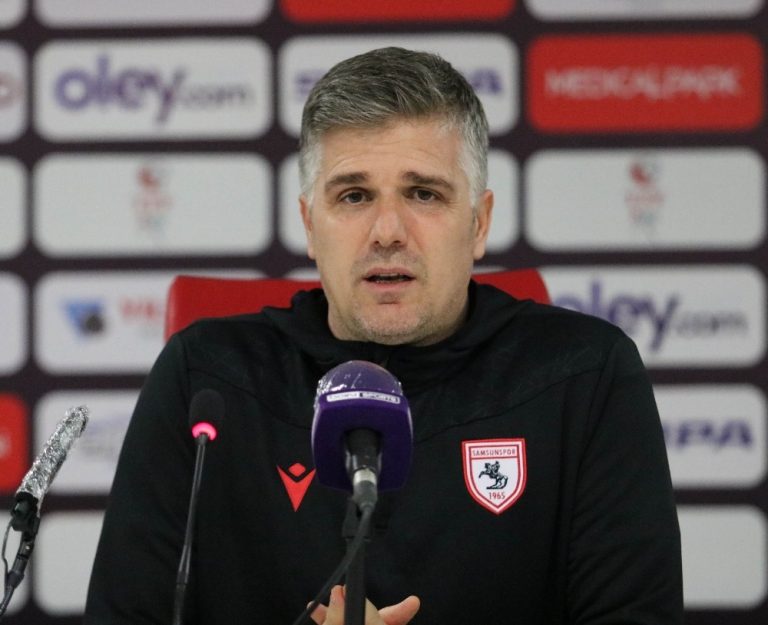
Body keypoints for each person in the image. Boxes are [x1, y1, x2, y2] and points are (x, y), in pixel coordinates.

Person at [83, 47, 683, 625]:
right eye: (354, 195)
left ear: (478, 223)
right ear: (310, 225)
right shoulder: (206, 379)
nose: (388, 231)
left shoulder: (585, 375)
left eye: (424, 193)